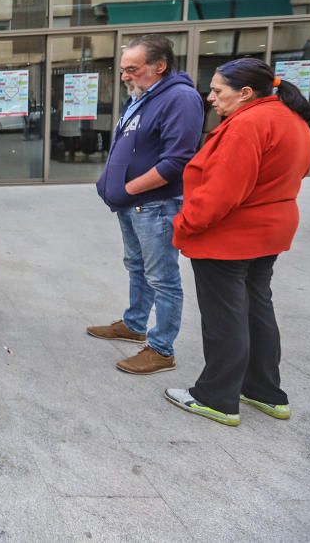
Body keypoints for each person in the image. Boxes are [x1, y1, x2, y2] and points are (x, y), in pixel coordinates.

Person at [165, 58, 310, 426]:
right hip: (268, 233)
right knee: (256, 310)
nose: (210, 98)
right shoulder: (290, 119)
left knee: (225, 317)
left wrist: (184, 224)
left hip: (230, 237)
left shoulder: (247, 124)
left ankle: (216, 397)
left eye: (217, 90)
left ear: (246, 93)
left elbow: (221, 192)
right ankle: (265, 392)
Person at [87, 35, 204, 374]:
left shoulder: (180, 99)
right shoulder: (142, 97)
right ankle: (135, 324)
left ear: (159, 67)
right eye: (123, 69)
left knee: (162, 278)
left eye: (132, 69)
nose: (124, 76)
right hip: (132, 205)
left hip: (155, 206)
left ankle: (162, 349)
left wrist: (128, 188)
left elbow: (176, 161)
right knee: (136, 266)